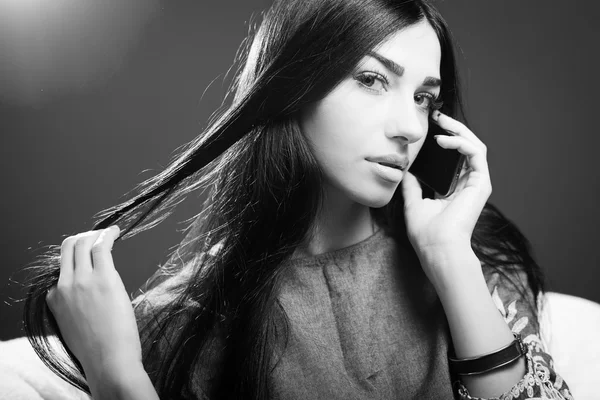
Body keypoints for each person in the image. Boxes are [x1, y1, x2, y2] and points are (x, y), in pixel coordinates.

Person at [22, 0, 574, 399]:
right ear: (293, 84)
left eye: (425, 98)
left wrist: (452, 261)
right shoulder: (183, 323)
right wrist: (118, 375)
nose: (411, 126)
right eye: (372, 79)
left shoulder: (473, 265)